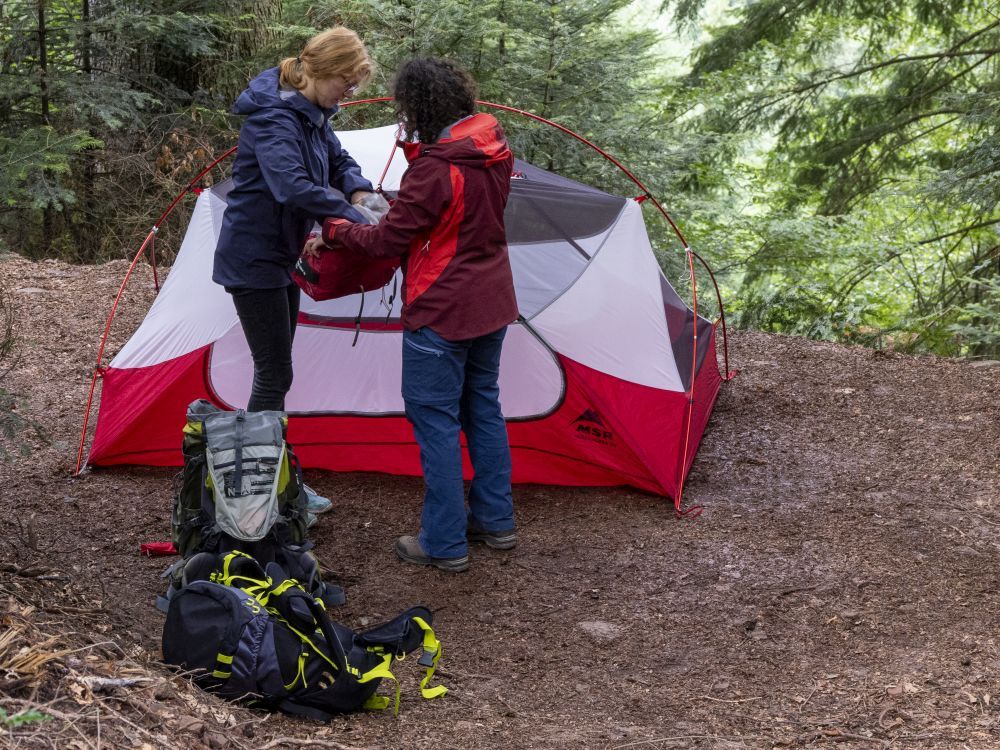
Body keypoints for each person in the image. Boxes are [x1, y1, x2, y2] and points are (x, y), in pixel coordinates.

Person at [306, 58, 518, 572]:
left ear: (419, 106)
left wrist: (333, 230)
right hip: (492, 302)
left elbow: (384, 242)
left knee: (437, 423)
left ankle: (444, 543)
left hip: (441, 309)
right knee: (483, 410)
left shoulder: (434, 168)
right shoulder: (492, 148)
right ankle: (496, 521)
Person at [213, 26, 387, 517]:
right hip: (253, 259)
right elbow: (291, 186)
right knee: (274, 373)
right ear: (321, 71)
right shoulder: (273, 118)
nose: (347, 94)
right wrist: (356, 217)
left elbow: (338, 160)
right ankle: (262, 490)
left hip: (279, 257)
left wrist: (359, 190)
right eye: (345, 83)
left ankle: (275, 482)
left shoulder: (312, 114)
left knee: (277, 372)